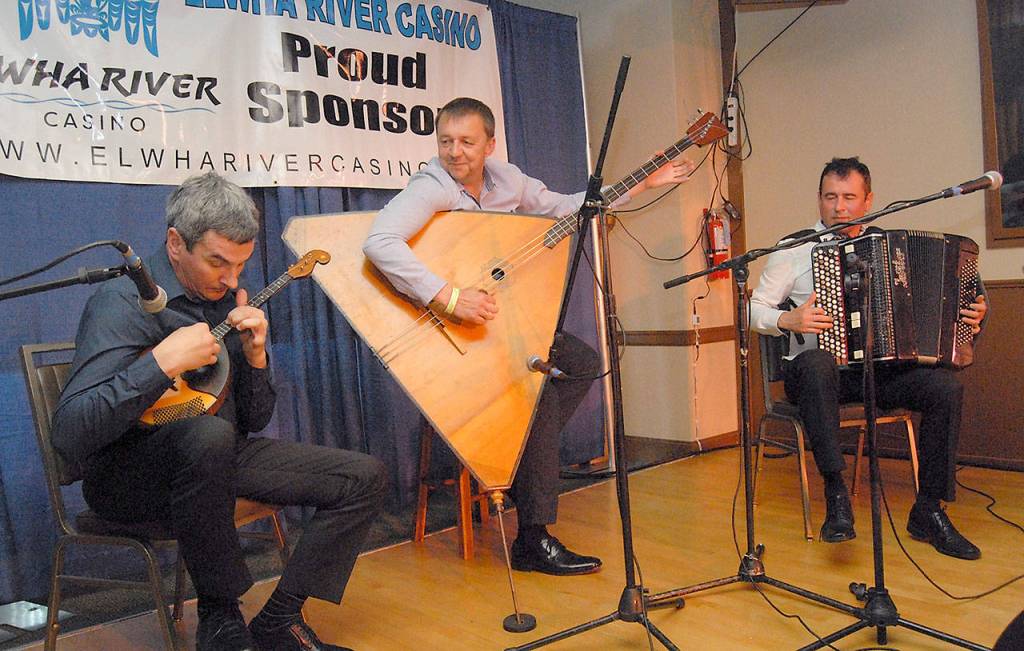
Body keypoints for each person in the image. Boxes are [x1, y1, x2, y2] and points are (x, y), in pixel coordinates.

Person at [52, 172, 387, 651]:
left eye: (241, 266)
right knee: (208, 437)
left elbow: (250, 422)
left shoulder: (224, 299)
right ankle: (220, 616)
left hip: (214, 458)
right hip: (129, 476)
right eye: (217, 263)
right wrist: (161, 364)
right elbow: (69, 433)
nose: (231, 280)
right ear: (174, 243)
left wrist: (256, 359)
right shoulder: (122, 302)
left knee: (362, 478)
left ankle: (279, 618)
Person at [362, 97, 695, 575]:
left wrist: (641, 183)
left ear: (490, 144)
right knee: (534, 396)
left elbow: (567, 208)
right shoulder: (431, 186)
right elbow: (379, 243)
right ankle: (532, 538)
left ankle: (515, 453)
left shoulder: (508, 180)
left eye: (467, 142)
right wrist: (449, 297)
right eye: (446, 141)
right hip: (452, 334)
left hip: (498, 324)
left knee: (580, 363)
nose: (455, 152)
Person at [750, 156, 987, 560]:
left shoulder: (887, 246)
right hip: (816, 374)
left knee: (945, 388)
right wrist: (786, 317)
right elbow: (753, 309)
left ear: (868, 200)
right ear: (819, 200)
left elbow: (957, 299)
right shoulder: (794, 248)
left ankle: (928, 510)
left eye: (848, 197)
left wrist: (974, 312)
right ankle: (837, 494)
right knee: (817, 363)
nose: (839, 207)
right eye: (830, 197)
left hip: (880, 373)